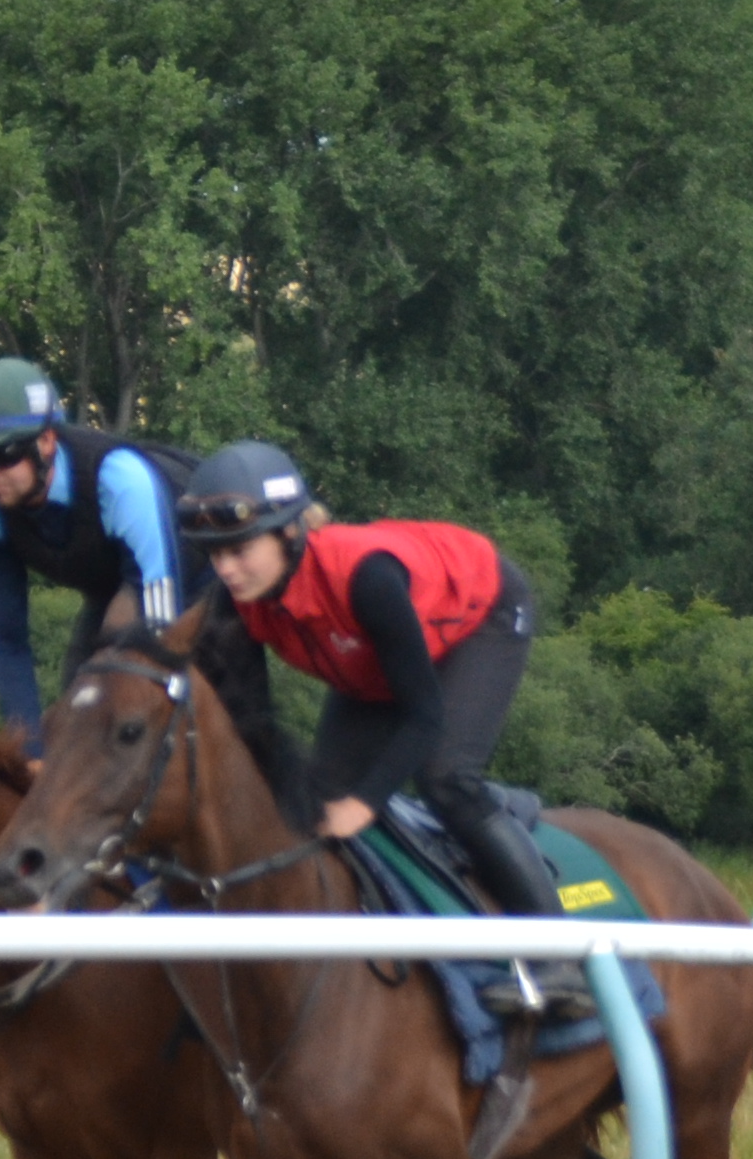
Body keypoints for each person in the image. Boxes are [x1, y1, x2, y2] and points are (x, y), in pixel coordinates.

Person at [175, 438, 590, 1028]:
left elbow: (424, 716)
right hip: (374, 656)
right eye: (214, 556)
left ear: (289, 532)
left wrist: (365, 803)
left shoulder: (368, 577)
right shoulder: (236, 601)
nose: (226, 570)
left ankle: (558, 958)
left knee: (445, 778)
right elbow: (252, 729)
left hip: (483, 615)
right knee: (312, 804)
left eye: (239, 550)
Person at [0, 355, 198, 753]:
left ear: (46, 441)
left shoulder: (120, 480)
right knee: (77, 713)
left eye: (2, 454)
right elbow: (4, 639)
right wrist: (29, 752)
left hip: (197, 576)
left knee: (192, 718)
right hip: (111, 584)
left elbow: (160, 623)